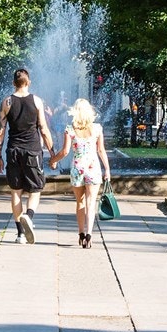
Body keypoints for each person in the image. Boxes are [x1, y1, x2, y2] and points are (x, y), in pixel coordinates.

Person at [0, 68, 54, 243]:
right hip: (32, 151)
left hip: (13, 150)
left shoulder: (6, 102)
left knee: (16, 191)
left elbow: (0, 131)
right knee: (35, 189)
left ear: (13, 83)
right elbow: (43, 128)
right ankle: (29, 215)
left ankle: (20, 234)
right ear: (28, 82)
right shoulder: (37, 101)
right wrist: (52, 152)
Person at [48, 98, 111, 248]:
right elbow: (101, 150)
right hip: (93, 168)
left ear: (75, 112)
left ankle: (81, 233)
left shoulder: (70, 129)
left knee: (80, 202)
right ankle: (89, 235)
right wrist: (107, 169)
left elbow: (65, 151)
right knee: (91, 202)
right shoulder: (97, 129)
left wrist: (53, 160)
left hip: (77, 168)